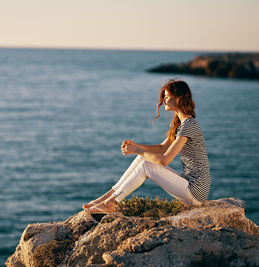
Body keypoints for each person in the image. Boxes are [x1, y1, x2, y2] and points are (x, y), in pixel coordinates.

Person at [84, 79, 211, 215]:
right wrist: (137, 147)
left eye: (167, 97)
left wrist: (138, 150)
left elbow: (164, 160)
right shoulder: (182, 124)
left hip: (195, 191)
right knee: (142, 158)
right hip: (189, 184)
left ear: (178, 98)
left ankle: (111, 203)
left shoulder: (189, 125)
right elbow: (162, 148)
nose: (163, 101)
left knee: (146, 166)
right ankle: (106, 198)